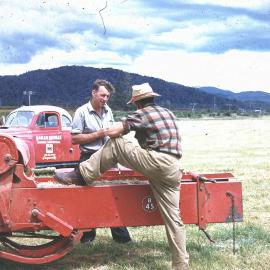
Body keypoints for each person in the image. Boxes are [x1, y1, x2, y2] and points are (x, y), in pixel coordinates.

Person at [67, 82, 189, 269]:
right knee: (174, 220)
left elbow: (117, 132)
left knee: (115, 143)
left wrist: (105, 131)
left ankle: (83, 174)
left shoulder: (143, 112)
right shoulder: (168, 112)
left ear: (137, 103)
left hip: (156, 162)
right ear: (153, 98)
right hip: (173, 167)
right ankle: (181, 265)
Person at [55, 79, 131, 244]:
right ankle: (87, 237)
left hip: (108, 158)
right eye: (103, 95)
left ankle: (122, 238)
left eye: (108, 96)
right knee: (87, 197)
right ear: (94, 92)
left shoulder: (108, 110)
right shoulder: (81, 112)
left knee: (113, 195)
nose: (105, 99)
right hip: (88, 158)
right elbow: (75, 139)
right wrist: (99, 134)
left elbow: (110, 131)